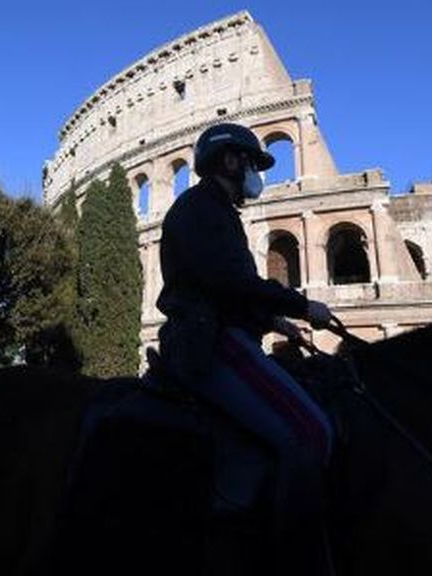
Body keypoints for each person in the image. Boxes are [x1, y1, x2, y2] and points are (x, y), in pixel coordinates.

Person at [156, 122, 334, 573]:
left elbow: (225, 291)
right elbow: (231, 283)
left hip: (216, 330)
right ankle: (293, 559)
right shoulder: (201, 210)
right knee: (312, 432)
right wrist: (299, 305)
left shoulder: (212, 210)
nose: (258, 175)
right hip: (210, 343)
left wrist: (275, 321)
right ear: (229, 161)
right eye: (253, 164)